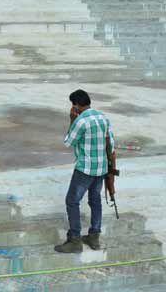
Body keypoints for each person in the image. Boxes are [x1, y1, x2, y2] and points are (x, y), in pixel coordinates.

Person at [55, 89, 116, 254]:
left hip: (85, 169)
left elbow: (69, 142)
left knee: (72, 201)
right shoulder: (103, 118)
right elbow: (111, 144)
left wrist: (72, 120)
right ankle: (94, 237)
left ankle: (75, 240)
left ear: (75, 105)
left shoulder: (80, 121)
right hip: (101, 169)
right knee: (95, 200)